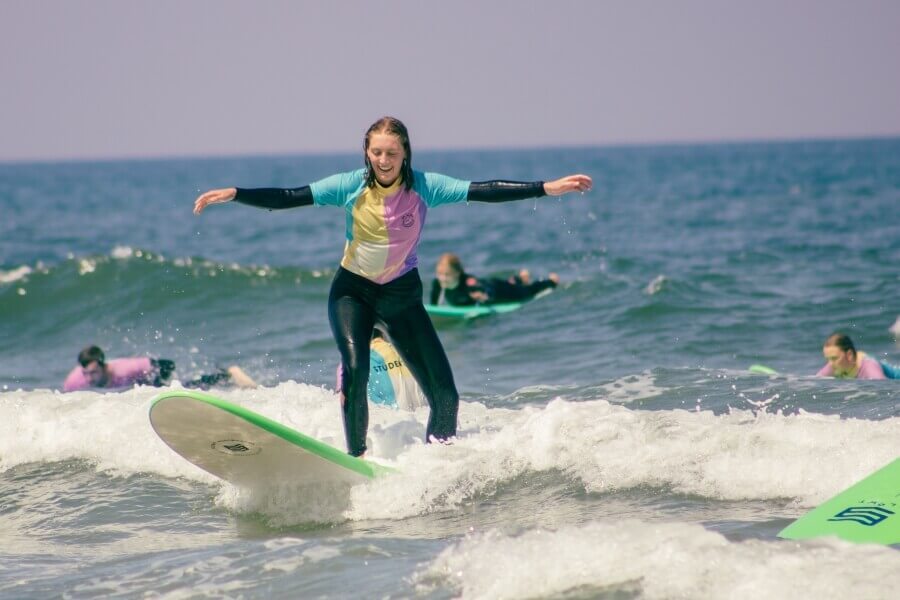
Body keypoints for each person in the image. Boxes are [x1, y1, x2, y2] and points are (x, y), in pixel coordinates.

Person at [193, 116, 592, 456]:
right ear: (366, 152)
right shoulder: (349, 185)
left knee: (446, 398)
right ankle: (357, 457)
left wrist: (545, 188)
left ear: (405, 154)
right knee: (355, 369)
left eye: (391, 153)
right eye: (376, 152)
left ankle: (438, 462)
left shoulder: (424, 187)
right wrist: (235, 194)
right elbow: (288, 196)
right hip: (353, 294)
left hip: (402, 297)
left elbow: (483, 190)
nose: (383, 161)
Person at [63, 345, 257, 392]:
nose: (89, 378)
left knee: (187, 388)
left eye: (94, 372)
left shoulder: (125, 369)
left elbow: (167, 365)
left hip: (151, 380)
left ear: (104, 367)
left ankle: (229, 374)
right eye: (86, 373)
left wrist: (156, 385)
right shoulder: (76, 380)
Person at [336, 329, 427, 411]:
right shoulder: (405, 350)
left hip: (389, 420)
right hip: (421, 416)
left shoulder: (353, 360)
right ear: (383, 331)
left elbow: (343, 400)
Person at [430, 252, 559, 306]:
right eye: (440, 273)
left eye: (447, 274)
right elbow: (434, 305)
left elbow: (484, 290)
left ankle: (551, 281)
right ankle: (520, 278)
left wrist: (484, 296)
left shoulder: (469, 283)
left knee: (525, 292)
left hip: (499, 291)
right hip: (494, 283)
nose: (442, 278)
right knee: (510, 283)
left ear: (458, 273)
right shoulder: (438, 283)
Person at [817, 333, 888, 380]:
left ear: (849, 355)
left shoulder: (869, 367)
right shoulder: (834, 364)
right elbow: (817, 381)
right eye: (828, 359)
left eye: (834, 358)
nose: (830, 363)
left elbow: (884, 390)